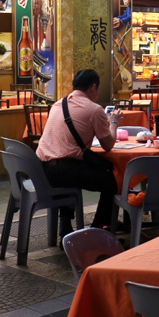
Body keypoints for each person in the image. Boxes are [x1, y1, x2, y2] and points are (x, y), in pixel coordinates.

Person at [36, 69, 119, 238]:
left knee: (71, 167)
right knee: (111, 182)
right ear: (93, 87)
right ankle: (96, 231)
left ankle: (65, 227)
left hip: (41, 170)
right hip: (63, 172)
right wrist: (114, 123)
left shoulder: (58, 104)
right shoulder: (94, 109)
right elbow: (108, 145)